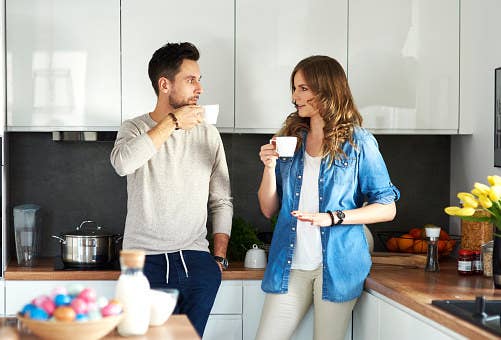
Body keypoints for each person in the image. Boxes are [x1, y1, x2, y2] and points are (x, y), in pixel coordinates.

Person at [256, 55, 400, 340]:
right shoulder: (290, 138)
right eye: (295, 88)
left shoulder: (359, 142)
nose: (294, 96)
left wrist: (333, 217)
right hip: (291, 264)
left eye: (303, 88)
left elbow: (387, 207)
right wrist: (269, 168)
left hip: (338, 265)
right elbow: (268, 209)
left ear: (327, 89)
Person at [110, 42, 233, 337]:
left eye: (199, 80)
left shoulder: (209, 134)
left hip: (196, 262)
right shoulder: (135, 129)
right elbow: (122, 163)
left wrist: (217, 259)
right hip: (144, 264)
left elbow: (221, 200)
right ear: (165, 84)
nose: (199, 88)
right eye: (191, 80)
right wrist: (174, 122)